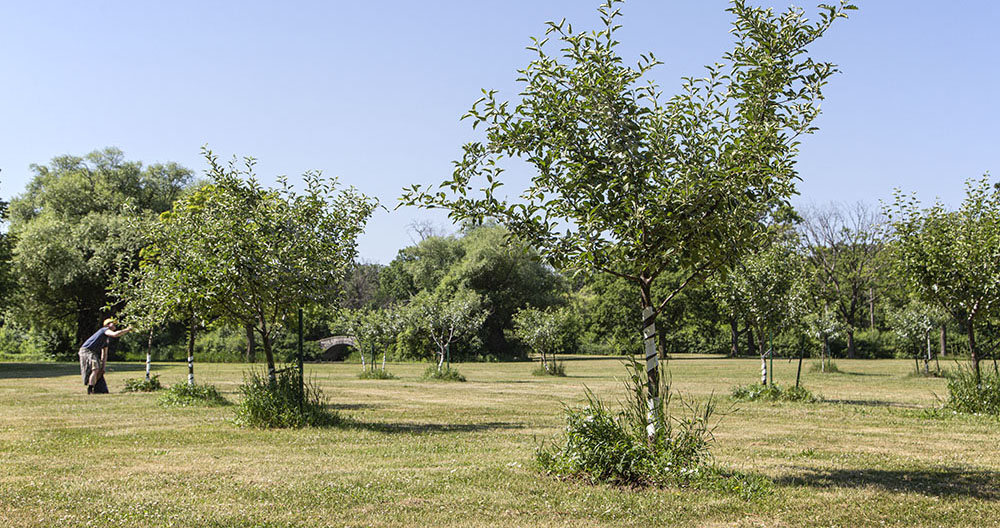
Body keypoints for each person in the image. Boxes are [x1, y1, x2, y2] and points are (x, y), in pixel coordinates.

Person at [78, 318, 133, 394]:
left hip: (93, 352)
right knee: (95, 369)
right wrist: (128, 329)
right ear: (107, 325)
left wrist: (103, 367)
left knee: (99, 371)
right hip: (87, 351)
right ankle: (90, 389)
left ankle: (96, 388)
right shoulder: (104, 330)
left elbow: (104, 354)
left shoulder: (106, 339)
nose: (115, 325)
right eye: (112, 323)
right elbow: (115, 334)